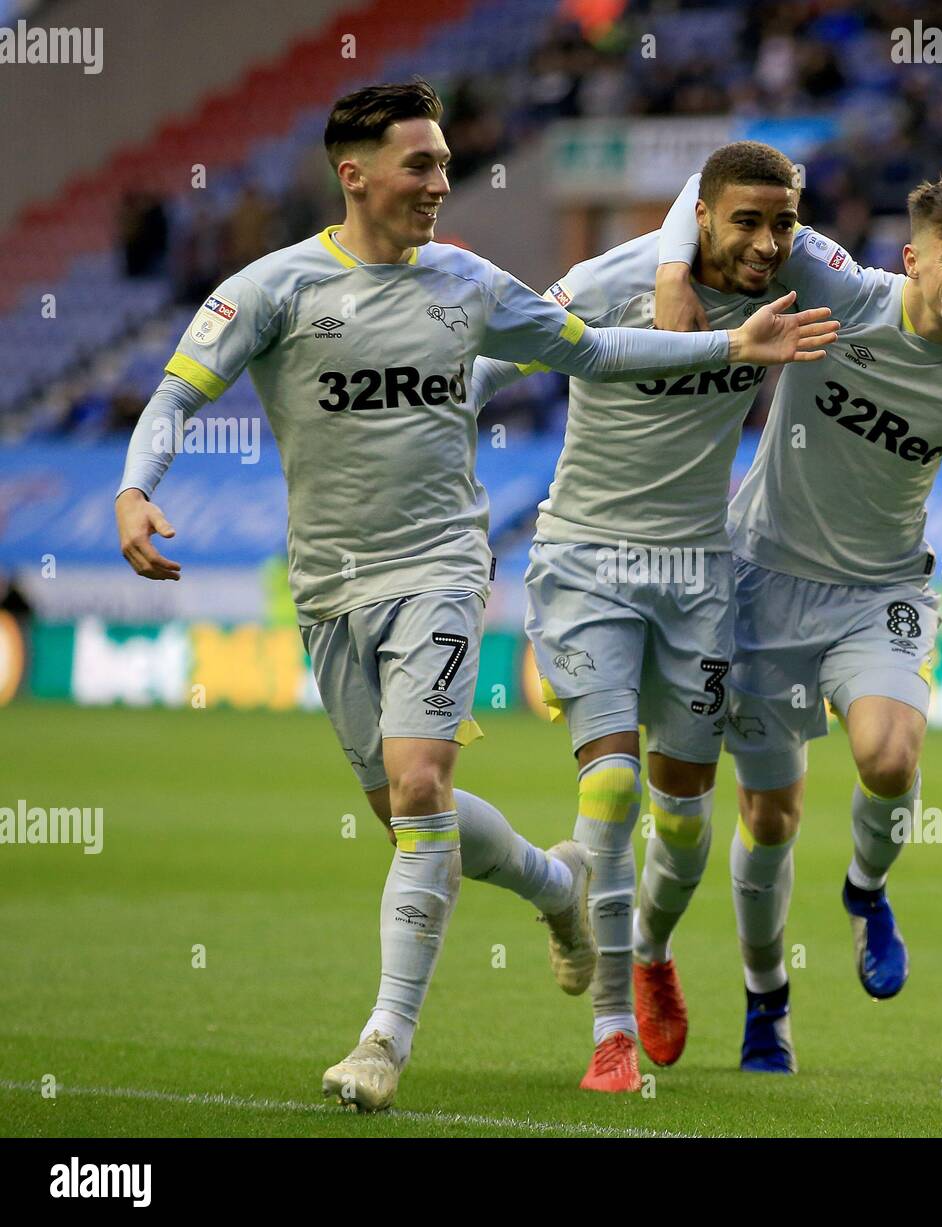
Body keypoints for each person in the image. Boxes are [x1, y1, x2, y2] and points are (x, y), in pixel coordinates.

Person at [113, 81, 837, 1112]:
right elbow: (178, 390)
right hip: (327, 588)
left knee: (420, 789)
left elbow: (590, 350)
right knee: (412, 813)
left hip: (444, 569)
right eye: (421, 165)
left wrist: (727, 344)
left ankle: (381, 1044)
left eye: (447, 163)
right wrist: (138, 488)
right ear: (352, 173)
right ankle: (560, 890)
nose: (441, 184)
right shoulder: (268, 289)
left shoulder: (469, 283)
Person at [471, 142, 942, 1090]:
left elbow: (903, 298)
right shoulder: (617, 275)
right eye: (743, 222)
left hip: (703, 575)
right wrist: (442, 463)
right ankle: (612, 1029)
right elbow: (500, 355)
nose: (765, 243)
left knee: (683, 826)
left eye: (781, 224)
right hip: (588, 560)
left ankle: (649, 946)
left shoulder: (794, 284)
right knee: (615, 787)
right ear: (702, 215)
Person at [656, 167, 942, 1072]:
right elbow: (709, 179)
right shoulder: (835, 288)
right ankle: (766, 1001)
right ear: (912, 258)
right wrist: (666, 275)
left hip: (881, 591)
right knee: (769, 818)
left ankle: (865, 890)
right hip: (761, 583)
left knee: (889, 757)